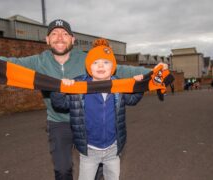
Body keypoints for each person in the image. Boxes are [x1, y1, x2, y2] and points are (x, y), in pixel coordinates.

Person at [0, 19, 168, 180]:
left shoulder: (88, 59)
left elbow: (122, 70)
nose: (60, 37)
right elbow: (4, 64)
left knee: (98, 169)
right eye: (55, 33)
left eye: (65, 33)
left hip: (89, 121)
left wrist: (154, 72)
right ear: (48, 39)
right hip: (58, 122)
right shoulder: (37, 62)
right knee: (63, 170)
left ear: (73, 39)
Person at [50, 38, 143, 180]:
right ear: (88, 66)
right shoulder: (78, 86)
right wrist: (61, 89)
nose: (100, 66)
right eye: (95, 62)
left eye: (106, 62)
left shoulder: (119, 86)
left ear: (112, 66)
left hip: (113, 148)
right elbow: (60, 104)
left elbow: (132, 100)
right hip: (89, 150)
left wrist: (138, 86)